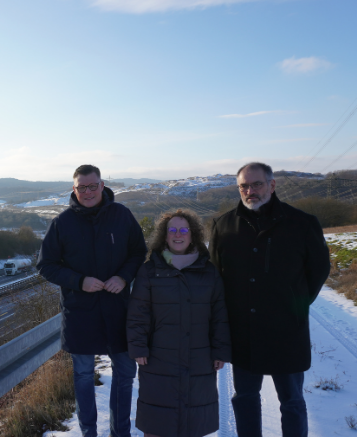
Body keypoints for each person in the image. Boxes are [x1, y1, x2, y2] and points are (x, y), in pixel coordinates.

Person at [209, 162, 331, 437]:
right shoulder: (223, 225)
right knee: (245, 397)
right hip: (243, 332)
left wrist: (296, 303)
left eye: (256, 184)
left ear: (272, 185)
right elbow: (216, 274)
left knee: (292, 401)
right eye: (243, 186)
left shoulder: (302, 223)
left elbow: (319, 269)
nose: (249, 191)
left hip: (286, 331)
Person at [37, 164, 147, 437]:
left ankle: (120, 432)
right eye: (82, 187)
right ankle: (89, 433)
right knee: (84, 376)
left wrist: (123, 277)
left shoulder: (122, 215)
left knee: (125, 374)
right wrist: (79, 281)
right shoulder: (62, 223)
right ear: (74, 189)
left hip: (119, 311)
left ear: (102, 185)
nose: (88, 192)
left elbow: (138, 251)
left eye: (92, 186)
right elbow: (46, 265)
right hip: (80, 314)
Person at [127, 209, 232, 437]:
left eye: (184, 230)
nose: (178, 234)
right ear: (164, 236)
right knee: (157, 422)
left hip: (199, 358)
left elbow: (220, 315)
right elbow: (138, 313)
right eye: (172, 230)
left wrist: (220, 350)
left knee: (194, 421)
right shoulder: (149, 271)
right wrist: (138, 347)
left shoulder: (209, 272)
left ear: (192, 235)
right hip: (158, 358)